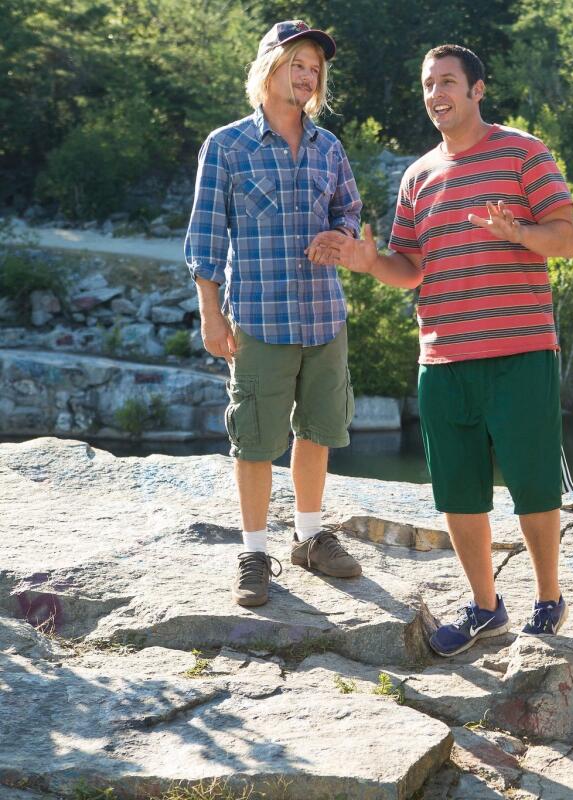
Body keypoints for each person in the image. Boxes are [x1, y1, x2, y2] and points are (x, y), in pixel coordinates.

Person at [309, 45, 573, 656]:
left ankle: (548, 598)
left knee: (534, 484)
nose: (437, 94)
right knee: (458, 491)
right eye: (429, 84)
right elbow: (410, 268)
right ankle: (486, 608)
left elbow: (566, 239)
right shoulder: (418, 175)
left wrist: (519, 232)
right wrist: (367, 260)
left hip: (520, 353)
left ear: (477, 89)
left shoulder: (523, 152)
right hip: (444, 359)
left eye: (448, 82)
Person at [185, 20, 364, 608]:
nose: (308, 74)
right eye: (297, 62)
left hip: (324, 316)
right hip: (258, 319)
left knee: (318, 430)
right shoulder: (227, 145)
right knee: (256, 441)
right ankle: (254, 551)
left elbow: (350, 210)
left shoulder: (329, 146)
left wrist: (340, 235)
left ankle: (310, 538)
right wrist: (212, 315)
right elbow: (205, 240)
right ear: (267, 69)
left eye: (315, 66)